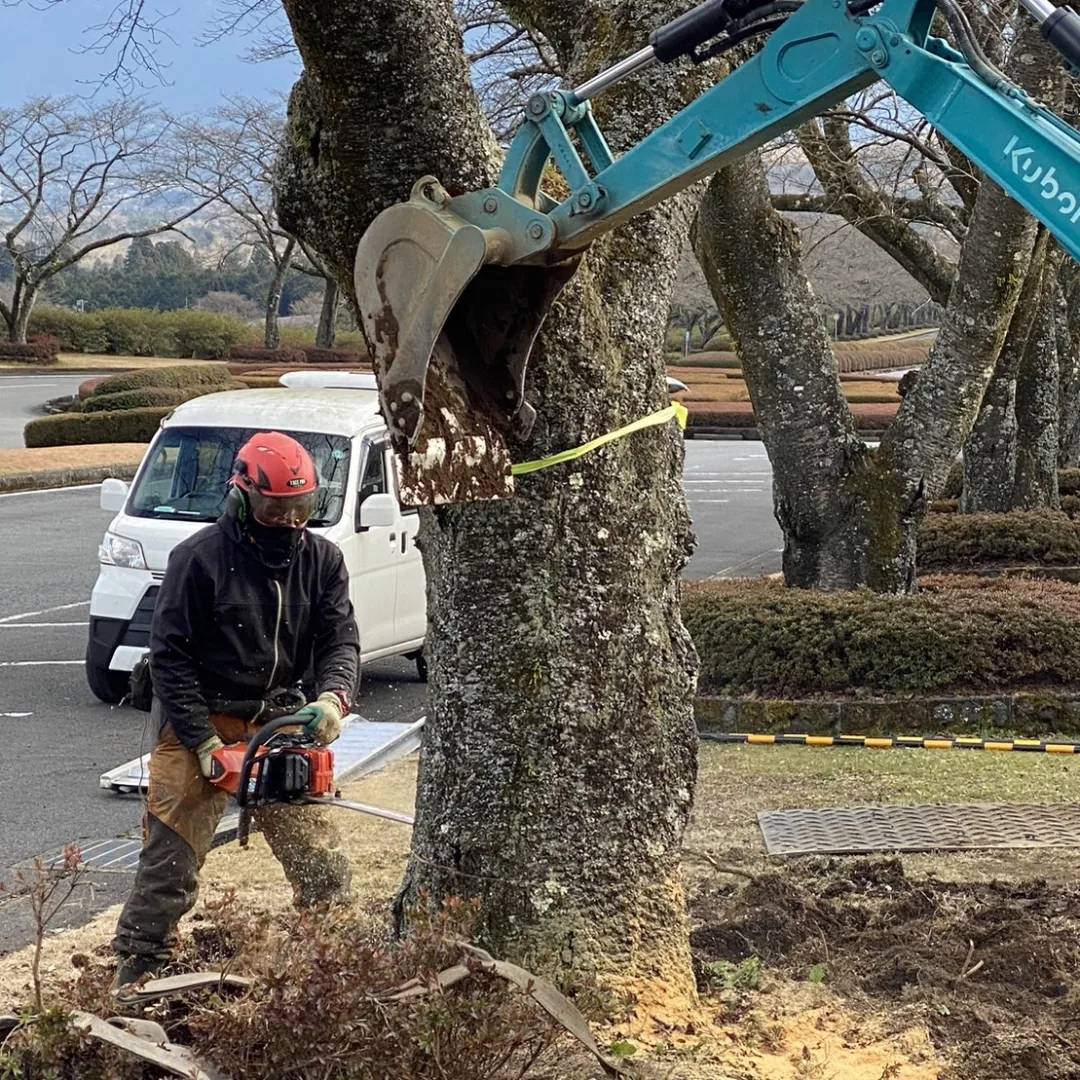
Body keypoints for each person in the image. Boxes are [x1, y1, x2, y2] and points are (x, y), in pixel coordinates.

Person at [112, 431, 360, 997]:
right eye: (276, 507)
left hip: (279, 722)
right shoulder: (197, 559)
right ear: (243, 497)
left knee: (321, 863)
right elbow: (169, 658)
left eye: (302, 507)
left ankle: (337, 965)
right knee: (169, 860)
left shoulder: (323, 560)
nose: (290, 520)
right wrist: (202, 743)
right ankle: (137, 967)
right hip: (204, 718)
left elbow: (339, 640)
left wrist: (332, 697)